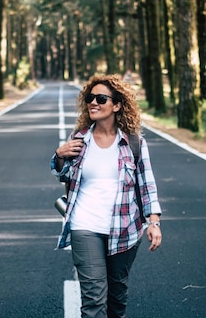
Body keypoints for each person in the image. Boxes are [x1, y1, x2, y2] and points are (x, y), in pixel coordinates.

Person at [50, 74, 162, 318]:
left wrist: (153, 222)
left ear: (117, 105)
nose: (94, 103)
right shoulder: (79, 140)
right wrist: (59, 155)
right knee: (94, 300)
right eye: (90, 98)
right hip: (85, 225)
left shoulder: (134, 143)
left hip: (125, 228)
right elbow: (63, 174)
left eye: (101, 98)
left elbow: (147, 185)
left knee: (116, 299)